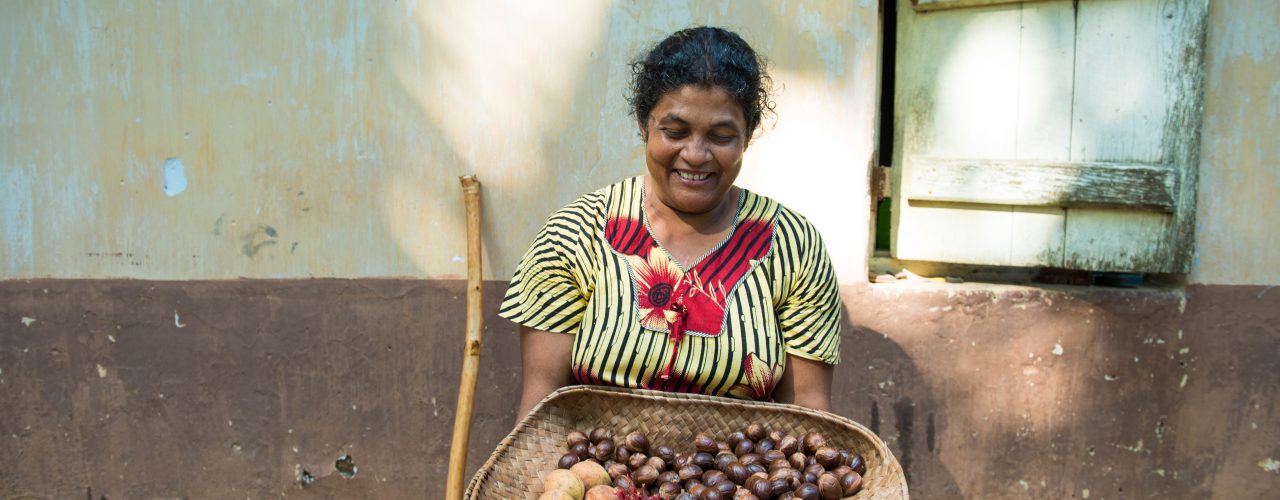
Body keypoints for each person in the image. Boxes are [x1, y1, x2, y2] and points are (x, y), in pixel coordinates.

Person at [500, 26, 841, 420]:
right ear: (643, 124)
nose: (696, 154)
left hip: (744, 474)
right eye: (675, 132)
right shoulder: (576, 234)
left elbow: (809, 417)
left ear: (747, 136)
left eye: (721, 135)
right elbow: (541, 409)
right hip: (594, 475)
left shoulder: (792, 246)